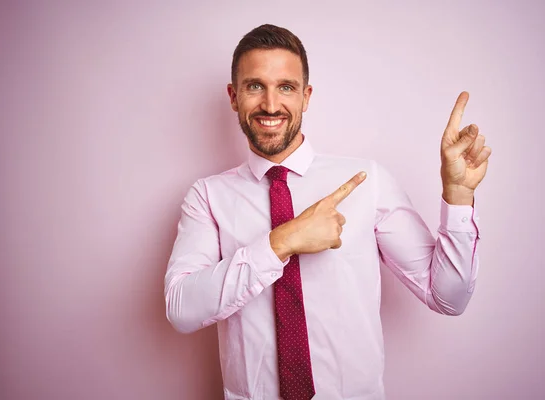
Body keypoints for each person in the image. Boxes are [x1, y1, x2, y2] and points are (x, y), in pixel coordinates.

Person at [164, 24, 491, 400]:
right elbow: (181, 308)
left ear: (306, 96)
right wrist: (282, 241)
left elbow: (449, 297)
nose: (271, 104)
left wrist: (458, 194)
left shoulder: (367, 181)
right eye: (255, 86)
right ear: (234, 97)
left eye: (286, 87)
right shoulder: (208, 196)